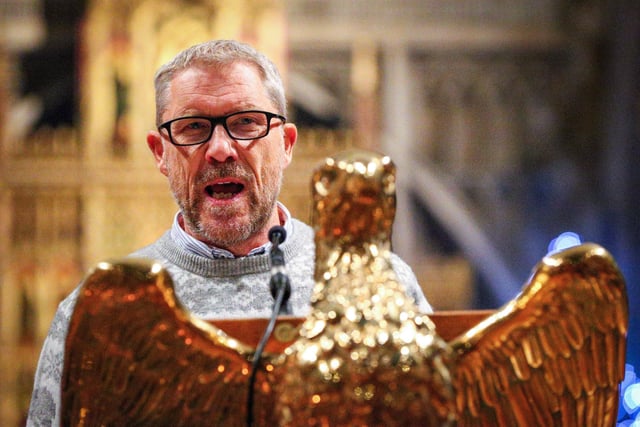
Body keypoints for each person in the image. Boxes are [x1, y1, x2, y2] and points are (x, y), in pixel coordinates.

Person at [26, 39, 431, 425]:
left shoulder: (385, 285)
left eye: (246, 123)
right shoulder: (98, 310)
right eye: (192, 127)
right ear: (159, 153)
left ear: (287, 144)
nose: (221, 149)